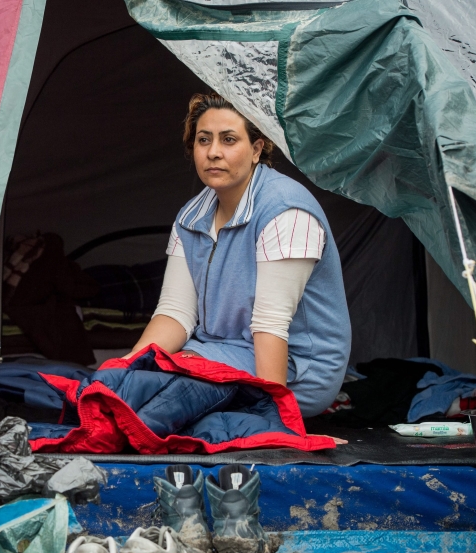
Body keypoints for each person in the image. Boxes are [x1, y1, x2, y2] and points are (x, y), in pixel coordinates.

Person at [129, 93, 351, 417]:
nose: (214, 152)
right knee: (135, 382)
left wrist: (273, 417)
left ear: (257, 149)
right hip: (218, 352)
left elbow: (270, 326)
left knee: (163, 397)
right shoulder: (190, 217)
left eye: (229, 139)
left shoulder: (284, 211)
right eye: (203, 140)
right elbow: (175, 312)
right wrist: (127, 366)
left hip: (295, 369)